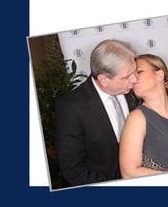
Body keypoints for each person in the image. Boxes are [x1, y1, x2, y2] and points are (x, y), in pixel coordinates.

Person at [55, 39, 139, 186]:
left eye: (135, 72)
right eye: (127, 76)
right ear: (103, 80)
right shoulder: (71, 107)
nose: (135, 80)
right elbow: (72, 169)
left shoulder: (134, 91)